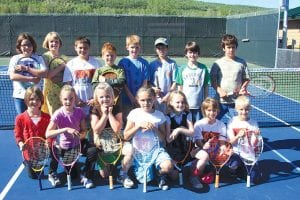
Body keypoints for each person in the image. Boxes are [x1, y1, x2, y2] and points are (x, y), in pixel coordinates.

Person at [46, 85, 97, 189]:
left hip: (78, 143)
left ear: (75, 99)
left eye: (71, 98)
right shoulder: (58, 114)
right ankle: (71, 166)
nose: (68, 101)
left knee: (93, 150)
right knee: (73, 176)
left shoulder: (79, 111)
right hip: (66, 146)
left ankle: (86, 175)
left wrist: (81, 136)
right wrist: (65, 129)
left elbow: (84, 130)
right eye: (65, 99)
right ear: (61, 99)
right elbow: (48, 133)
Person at [123, 86, 173, 191]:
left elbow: (163, 139)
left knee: (168, 167)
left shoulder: (160, 115)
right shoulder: (134, 113)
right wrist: (138, 126)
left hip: (156, 151)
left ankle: (159, 174)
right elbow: (126, 136)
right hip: (137, 151)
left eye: (149, 99)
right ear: (137, 100)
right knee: (142, 179)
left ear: (154, 98)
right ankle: (123, 175)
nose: (146, 103)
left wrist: (154, 128)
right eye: (143, 100)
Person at [89, 82, 134, 188]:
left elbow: (117, 128)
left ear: (112, 97)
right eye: (102, 97)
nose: (105, 99)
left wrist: (109, 113)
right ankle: (107, 163)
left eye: (108, 96)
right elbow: (96, 130)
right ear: (97, 98)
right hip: (101, 142)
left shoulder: (116, 108)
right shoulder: (94, 109)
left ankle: (123, 174)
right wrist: (104, 115)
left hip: (116, 140)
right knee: (104, 175)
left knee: (130, 149)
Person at [14, 86, 60, 186]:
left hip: (44, 149)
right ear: (26, 100)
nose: (34, 102)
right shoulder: (20, 118)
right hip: (30, 151)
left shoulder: (47, 117)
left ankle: (52, 172)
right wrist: (21, 144)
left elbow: (51, 134)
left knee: (56, 150)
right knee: (34, 176)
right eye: (31, 99)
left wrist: (49, 143)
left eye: (37, 99)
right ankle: (27, 162)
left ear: (41, 101)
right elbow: (18, 135)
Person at [210, 34, 250, 120]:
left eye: (233, 47)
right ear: (224, 48)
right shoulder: (217, 63)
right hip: (219, 102)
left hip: (236, 102)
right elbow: (213, 80)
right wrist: (220, 90)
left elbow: (246, 78)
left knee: (238, 125)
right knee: (212, 123)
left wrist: (243, 88)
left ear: (236, 48)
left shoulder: (241, 62)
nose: (231, 50)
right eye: (228, 47)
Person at [192, 97, 227, 189]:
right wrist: (203, 146)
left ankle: (208, 168)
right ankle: (194, 176)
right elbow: (197, 141)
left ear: (218, 111)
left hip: (214, 149)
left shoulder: (221, 125)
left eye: (214, 110)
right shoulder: (199, 124)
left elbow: (222, 142)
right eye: (209, 110)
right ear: (204, 111)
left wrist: (223, 147)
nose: (212, 113)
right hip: (198, 149)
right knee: (205, 156)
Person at [8, 32, 47, 114]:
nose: (27, 47)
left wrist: (26, 68)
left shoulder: (39, 58)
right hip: (20, 96)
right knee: (23, 121)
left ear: (33, 46)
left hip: (36, 96)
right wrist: (31, 79)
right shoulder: (15, 59)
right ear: (19, 46)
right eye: (24, 45)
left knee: (36, 120)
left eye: (29, 45)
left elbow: (44, 73)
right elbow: (12, 76)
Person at [227, 95, 262, 184]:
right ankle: (235, 167)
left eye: (246, 109)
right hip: (236, 152)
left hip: (249, 153)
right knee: (234, 165)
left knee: (254, 179)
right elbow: (230, 142)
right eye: (241, 109)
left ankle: (245, 168)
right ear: (236, 109)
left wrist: (257, 136)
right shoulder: (232, 122)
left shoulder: (254, 123)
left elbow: (254, 144)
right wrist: (238, 136)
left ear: (249, 109)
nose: (244, 112)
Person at [63, 36, 101, 116]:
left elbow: (100, 84)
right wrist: (76, 99)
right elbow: (68, 86)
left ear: (89, 48)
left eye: (85, 48)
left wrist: (95, 98)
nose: (83, 50)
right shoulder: (70, 64)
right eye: (80, 48)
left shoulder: (96, 63)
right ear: (75, 48)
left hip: (93, 103)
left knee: (93, 126)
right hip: (76, 104)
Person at [176, 41, 210, 123]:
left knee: (197, 127)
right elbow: (180, 87)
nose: (192, 55)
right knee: (186, 126)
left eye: (195, 52)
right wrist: (181, 102)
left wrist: (205, 101)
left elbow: (206, 86)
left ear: (198, 54)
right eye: (190, 52)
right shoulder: (182, 69)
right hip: (185, 106)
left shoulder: (203, 68)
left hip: (198, 106)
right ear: (186, 54)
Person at [118, 34, 149, 122]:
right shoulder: (123, 62)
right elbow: (123, 82)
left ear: (140, 47)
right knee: (127, 122)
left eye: (137, 47)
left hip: (140, 100)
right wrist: (131, 97)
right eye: (132, 47)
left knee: (140, 122)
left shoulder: (144, 63)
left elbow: (145, 83)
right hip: (126, 99)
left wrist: (139, 97)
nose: (134, 50)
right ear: (127, 47)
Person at [165, 91, 194, 184]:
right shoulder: (168, 117)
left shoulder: (188, 114)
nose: (180, 104)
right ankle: (164, 172)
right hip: (173, 148)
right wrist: (180, 129)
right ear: (171, 103)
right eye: (177, 102)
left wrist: (179, 130)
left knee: (188, 170)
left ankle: (193, 175)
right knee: (174, 177)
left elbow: (192, 132)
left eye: (182, 102)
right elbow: (168, 139)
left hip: (186, 147)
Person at [41, 31, 68, 115]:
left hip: (63, 92)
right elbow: (48, 75)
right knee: (54, 117)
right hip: (51, 93)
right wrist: (61, 66)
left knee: (64, 115)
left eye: (56, 42)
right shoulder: (45, 57)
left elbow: (67, 77)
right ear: (47, 43)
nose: (54, 44)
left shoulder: (64, 58)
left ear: (59, 43)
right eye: (51, 41)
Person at [149, 37, 177, 113]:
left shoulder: (172, 64)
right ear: (156, 49)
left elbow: (175, 82)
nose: (161, 50)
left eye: (163, 48)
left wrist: (167, 96)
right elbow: (149, 82)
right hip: (156, 99)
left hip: (169, 99)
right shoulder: (152, 65)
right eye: (159, 48)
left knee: (168, 120)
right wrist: (154, 88)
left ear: (167, 48)